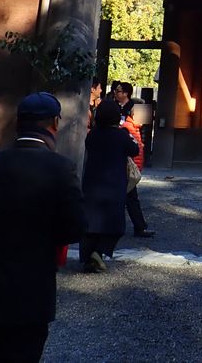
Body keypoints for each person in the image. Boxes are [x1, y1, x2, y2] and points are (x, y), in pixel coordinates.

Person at [0, 92, 86, 363]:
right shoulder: (61, 169)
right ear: (55, 124)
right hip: (34, 283)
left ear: (18, 123)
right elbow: (75, 228)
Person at [79, 98, 138, 272]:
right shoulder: (120, 136)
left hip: (92, 183)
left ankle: (88, 258)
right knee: (115, 225)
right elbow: (134, 150)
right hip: (114, 185)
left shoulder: (92, 135)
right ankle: (98, 252)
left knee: (91, 223)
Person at [113, 81, 153, 237]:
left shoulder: (135, 107)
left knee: (129, 194)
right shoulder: (115, 108)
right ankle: (139, 226)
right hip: (124, 156)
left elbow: (142, 134)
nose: (115, 93)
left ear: (126, 93)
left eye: (118, 91)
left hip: (130, 156)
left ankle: (137, 226)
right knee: (129, 195)